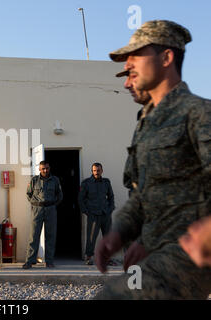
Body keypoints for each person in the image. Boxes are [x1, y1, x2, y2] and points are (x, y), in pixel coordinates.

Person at [95, 20, 211, 299]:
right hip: (154, 250)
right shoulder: (147, 125)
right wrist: (118, 234)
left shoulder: (198, 113)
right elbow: (142, 195)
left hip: (188, 256)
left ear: (167, 57)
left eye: (136, 55)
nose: (129, 66)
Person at [116, 70, 150, 272]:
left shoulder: (194, 115)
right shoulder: (142, 123)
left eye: (134, 75)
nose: (127, 84)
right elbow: (131, 182)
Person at [23, 161, 63, 269]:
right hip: (37, 209)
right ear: (39, 169)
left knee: (50, 236)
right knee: (34, 235)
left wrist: (53, 204)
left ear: (49, 168)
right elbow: (28, 194)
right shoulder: (34, 180)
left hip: (50, 209)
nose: (45, 170)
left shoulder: (55, 180)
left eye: (47, 168)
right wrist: (35, 204)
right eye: (43, 169)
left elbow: (60, 195)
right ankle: (30, 261)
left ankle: (49, 261)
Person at [78, 163, 115, 265]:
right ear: (92, 171)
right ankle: (89, 257)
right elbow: (81, 199)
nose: (96, 172)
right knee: (91, 237)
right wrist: (87, 212)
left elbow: (111, 196)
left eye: (98, 170)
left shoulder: (106, 182)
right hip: (93, 214)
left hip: (105, 214)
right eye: (94, 170)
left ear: (102, 171)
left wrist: (110, 209)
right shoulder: (86, 183)